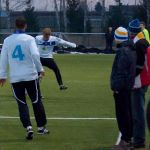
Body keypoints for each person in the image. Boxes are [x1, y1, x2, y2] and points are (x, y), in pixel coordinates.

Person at [0, 17, 49, 140]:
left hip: (16, 78)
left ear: (15, 26)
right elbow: (35, 54)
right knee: (36, 101)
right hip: (30, 76)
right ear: (25, 26)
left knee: (21, 103)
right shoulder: (30, 39)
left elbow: (3, 58)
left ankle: (28, 127)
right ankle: (41, 127)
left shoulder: (7, 40)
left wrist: (2, 76)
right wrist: (40, 69)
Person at [110, 27, 136, 150]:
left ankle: (125, 141)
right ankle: (128, 139)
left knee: (122, 114)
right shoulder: (130, 49)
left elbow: (120, 72)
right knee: (127, 113)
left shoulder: (123, 52)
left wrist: (116, 87)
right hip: (128, 87)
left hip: (122, 89)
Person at [128, 19, 150, 149]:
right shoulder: (141, 40)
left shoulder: (139, 43)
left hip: (139, 81)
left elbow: (139, 65)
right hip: (141, 79)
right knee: (137, 110)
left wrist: (131, 76)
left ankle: (139, 140)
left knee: (138, 112)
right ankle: (138, 139)